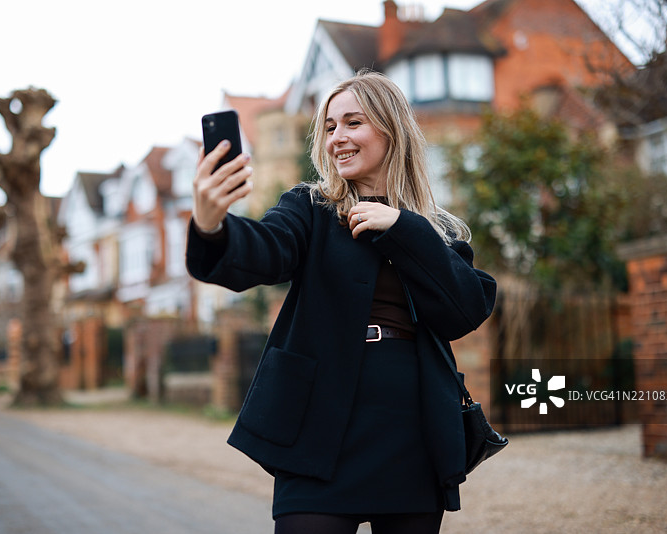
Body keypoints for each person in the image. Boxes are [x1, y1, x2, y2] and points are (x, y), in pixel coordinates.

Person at [186, 70, 496, 534]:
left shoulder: (437, 231)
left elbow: (465, 308)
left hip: (412, 431)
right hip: (318, 427)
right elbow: (267, 248)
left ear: (391, 130)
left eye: (353, 123)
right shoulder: (309, 208)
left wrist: (401, 227)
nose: (337, 138)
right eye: (330, 127)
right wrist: (213, 227)